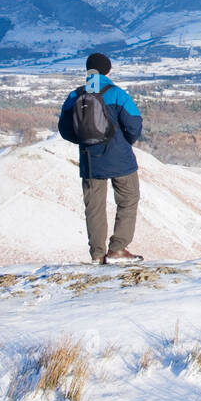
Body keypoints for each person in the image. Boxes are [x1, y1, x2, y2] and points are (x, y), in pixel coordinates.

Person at [57, 52, 144, 263]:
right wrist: (124, 143)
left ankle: (97, 254)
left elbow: (64, 129)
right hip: (120, 158)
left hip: (90, 160)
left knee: (94, 206)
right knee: (128, 200)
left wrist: (85, 142)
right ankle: (118, 248)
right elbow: (134, 125)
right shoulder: (117, 94)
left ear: (88, 72)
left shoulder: (74, 96)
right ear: (108, 71)